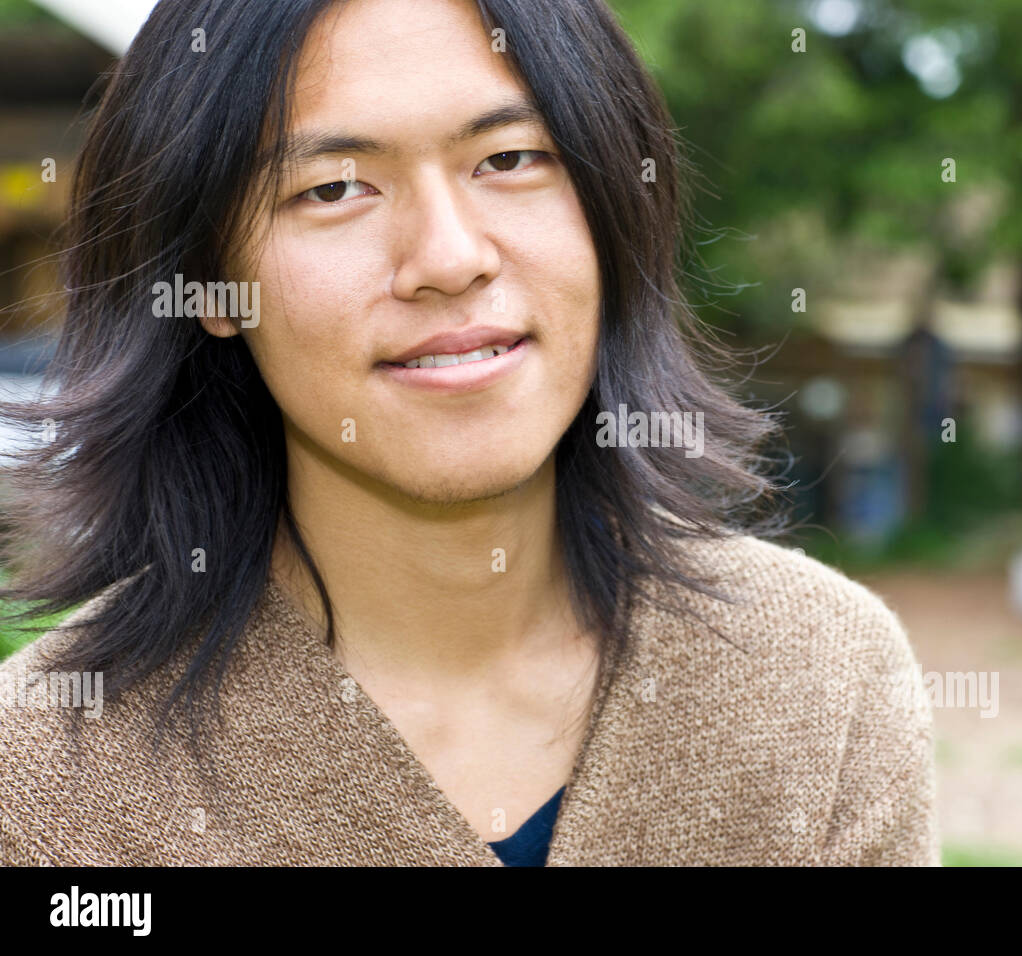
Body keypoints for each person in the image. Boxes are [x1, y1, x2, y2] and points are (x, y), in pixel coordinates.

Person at [0, 0, 938, 866]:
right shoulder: (50, 776)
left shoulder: (819, 677)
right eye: (333, 188)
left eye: (509, 159)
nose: (449, 258)